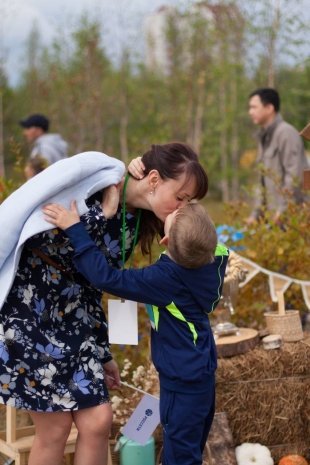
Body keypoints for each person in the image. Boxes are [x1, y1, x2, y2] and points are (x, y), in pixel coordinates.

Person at [0, 143, 208, 465]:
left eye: (188, 202)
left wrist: (103, 350)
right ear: (154, 179)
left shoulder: (139, 220)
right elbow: (43, 234)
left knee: (98, 422)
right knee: (55, 429)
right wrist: (100, 215)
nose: (182, 207)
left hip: (76, 317)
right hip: (34, 311)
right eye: (180, 197)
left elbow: (97, 280)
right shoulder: (98, 183)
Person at [43, 198, 229, 465]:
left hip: (181, 382)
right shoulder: (214, 261)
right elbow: (205, 249)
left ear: (164, 241)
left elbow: (107, 278)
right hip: (201, 378)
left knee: (181, 457)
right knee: (190, 447)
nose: (175, 206)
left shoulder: (164, 279)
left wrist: (76, 229)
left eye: (176, 213)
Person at [246, 88, 308, 224]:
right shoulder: (264, 137)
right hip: (273, 220)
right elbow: (262, 181)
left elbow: (295, 175)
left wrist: (283, 211)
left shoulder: (286, 133)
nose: (250, 112)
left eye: (254, 107)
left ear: (269, 108)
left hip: (292, 220)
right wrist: (256, 214)